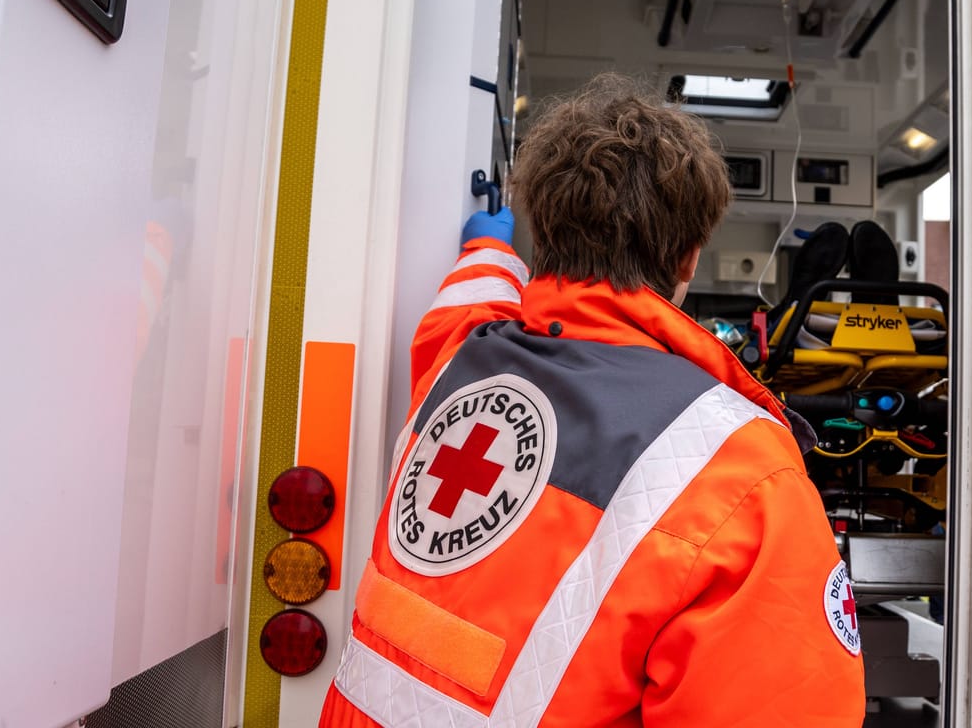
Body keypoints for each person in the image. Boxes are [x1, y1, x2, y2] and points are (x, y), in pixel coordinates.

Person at [319, 73, 865, 727]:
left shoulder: (463, 361)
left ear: (543, 232)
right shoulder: (745, 471)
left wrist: (487, 244)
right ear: (689, 259)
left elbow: (465, 303)